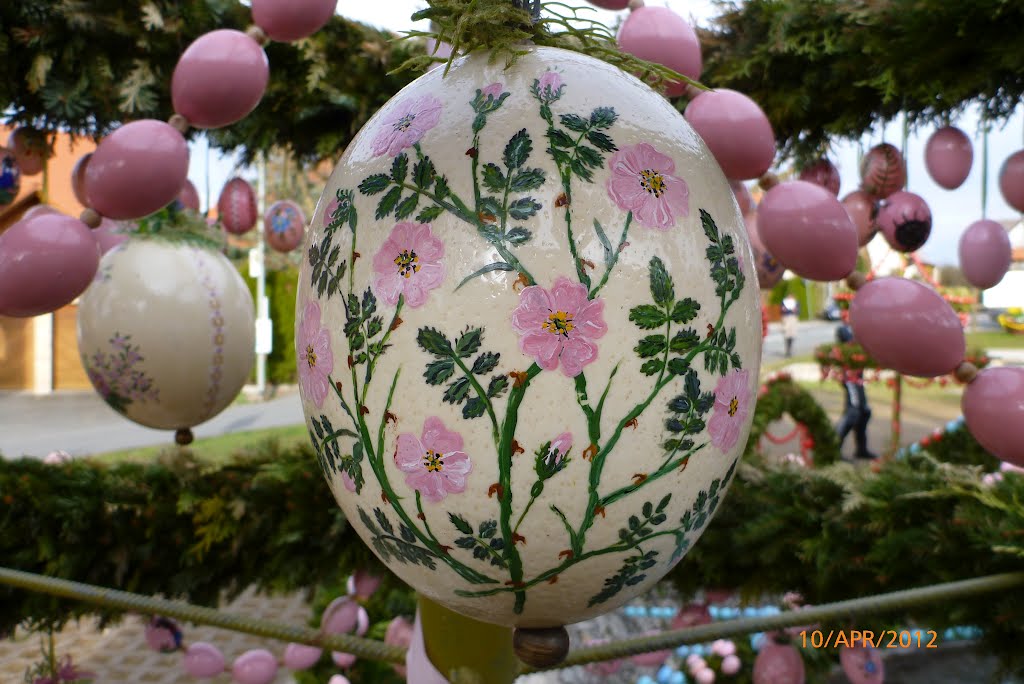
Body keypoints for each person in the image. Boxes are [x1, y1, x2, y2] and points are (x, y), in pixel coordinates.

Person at [835, 324, 878, 460]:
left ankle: (861, 449)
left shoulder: (860, 327)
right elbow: (850, 344)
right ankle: (833, 449)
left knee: (864, 412)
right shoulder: (844, 329)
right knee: (853, 413)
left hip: (858, 377)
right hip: (849, 378)